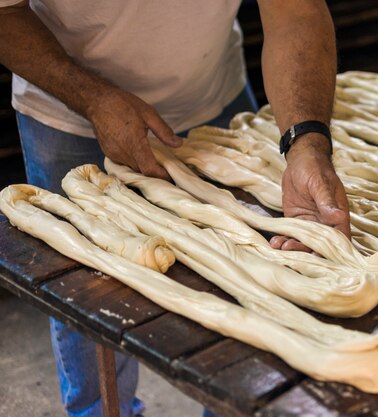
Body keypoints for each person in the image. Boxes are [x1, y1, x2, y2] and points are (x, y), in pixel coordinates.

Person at [0, 1, 351, 416]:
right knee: (87, 296)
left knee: (251, 292)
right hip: (69, 112)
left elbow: (297, 12)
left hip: (215, 96)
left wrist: (305, 142)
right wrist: (93, 99)